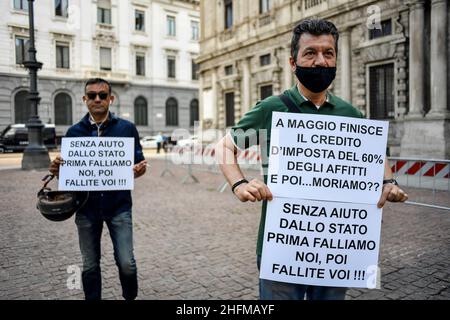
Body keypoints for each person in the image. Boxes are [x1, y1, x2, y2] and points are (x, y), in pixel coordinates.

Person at [215, 19, 408, 300]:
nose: (320, 61)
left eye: (328, 53)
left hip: (335, 250)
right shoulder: (272, 108)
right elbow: (225, 147)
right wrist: (239, 184)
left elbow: (376, 152)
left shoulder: (350, 113)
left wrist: (387, 181)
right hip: (281, 247)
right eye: (310, 53)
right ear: (293, 63)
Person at [49, 78, 147, 300]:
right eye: (92, 95)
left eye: (102, 95)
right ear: (85, 100)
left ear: (110, 99)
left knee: (127, 263)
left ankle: (129, 297)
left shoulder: (127, 129)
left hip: (119, 206)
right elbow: (69, 175)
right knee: (90, 265)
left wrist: (139, 170)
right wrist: (57, 170)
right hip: (86, 208)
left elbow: (138, 163)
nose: (97, 99)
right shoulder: (74, 133)